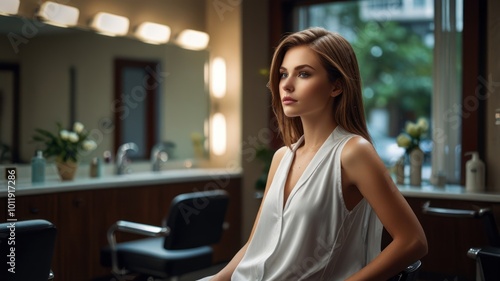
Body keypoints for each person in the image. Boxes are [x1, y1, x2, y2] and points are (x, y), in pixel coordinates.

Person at [199, 27, 427, 281]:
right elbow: (257, 245)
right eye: (284, 74)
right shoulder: (281, 157)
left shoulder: (353, 153)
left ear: (336, 87)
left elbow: (413, 241)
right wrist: (217, 278)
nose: (286, 84)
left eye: (304, 74)